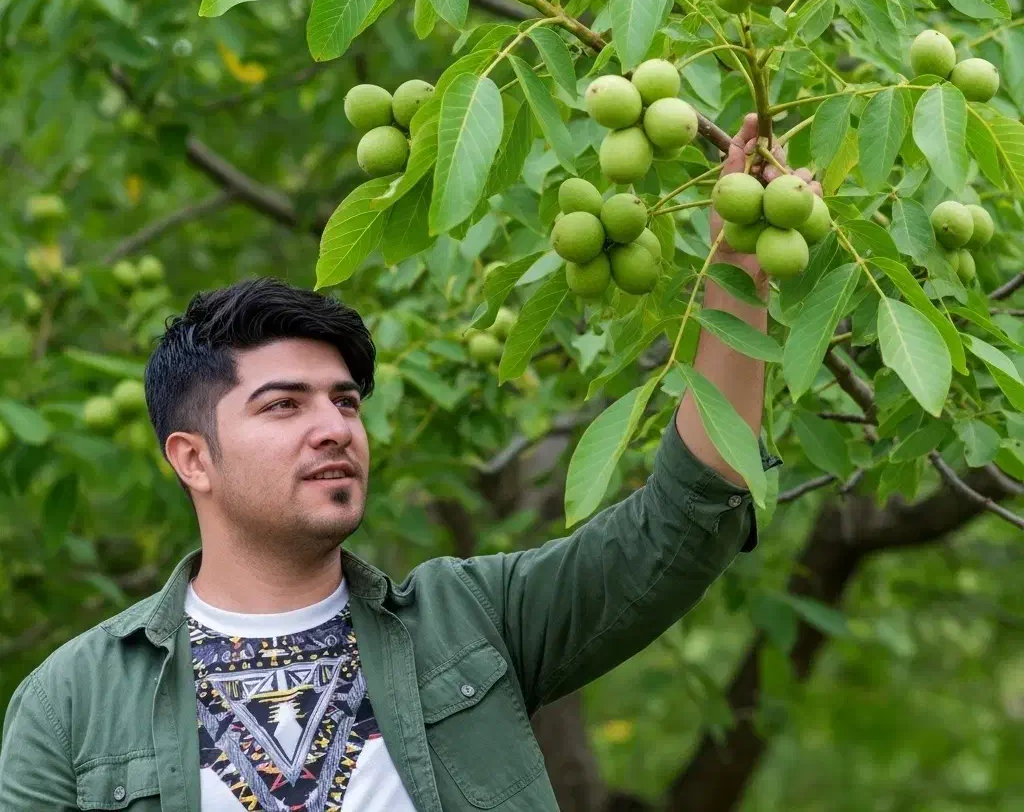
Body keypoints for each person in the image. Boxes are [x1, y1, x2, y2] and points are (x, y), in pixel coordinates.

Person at [0, 116, 815, 811]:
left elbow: (684, 522)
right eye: (284, 405)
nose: (333, 428)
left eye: (346, 402)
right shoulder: (72, 702)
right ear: (192, 459)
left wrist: (740, 270)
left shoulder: (472, 621)